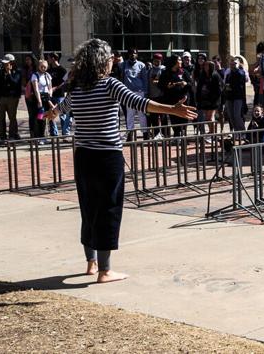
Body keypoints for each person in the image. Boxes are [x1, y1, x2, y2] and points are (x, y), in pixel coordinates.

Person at [45, 38, 195, 284]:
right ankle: (105, 271)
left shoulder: (78, 89)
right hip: (107, 157)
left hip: (83, 156)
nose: (112, 62)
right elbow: (142, 104)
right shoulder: (110, 85)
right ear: (102, 61)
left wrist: (51, 113)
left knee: (88, 208)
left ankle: (91, 264)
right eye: (109, 58)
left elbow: (60, 109)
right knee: (108, 209)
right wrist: (173, 110)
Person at [0, 55, 23, 141]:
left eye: (7, 63)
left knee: (12, 117)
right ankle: (1, 136)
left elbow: (15, 83)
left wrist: (9, 73)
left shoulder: (17, 72)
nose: (5, 65)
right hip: (1, 98)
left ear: (12, 62)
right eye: (4, 63)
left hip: (12, 98)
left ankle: (12, 135)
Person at [157, 56, 191, 132]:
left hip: (183, 99)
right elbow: (160, 85)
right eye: (179, 60)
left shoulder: (184, 72)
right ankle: (177, 134)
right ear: (174, 62)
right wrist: (167, 86)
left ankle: (183, 134)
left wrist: (185, 84)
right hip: (171, 100)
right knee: (174, 118)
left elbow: (190, 84)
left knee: (184, 118)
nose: (181, 61)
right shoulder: (166, 73)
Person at [119, 49, 149, 134]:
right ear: (128, 55)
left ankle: (145, 133)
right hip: (128, 93)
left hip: (140, 92)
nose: (133, 55)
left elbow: (145, 80)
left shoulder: (141, 65)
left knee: (141, 114)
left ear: (137, 55)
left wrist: (145, 93)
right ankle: (130, 134)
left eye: (134, 53)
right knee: (130, 115)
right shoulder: (123, 65)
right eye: (131, 53)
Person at [27, 59, 53, 141]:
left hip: (46, 99)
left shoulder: (48, 75)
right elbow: (36, 89)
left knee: (45, 118)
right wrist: (39, 101)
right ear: (39, 66)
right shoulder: (35, 75)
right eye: (42, 66)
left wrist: (50, 95)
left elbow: (50, 87)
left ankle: (43, 136)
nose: (43, 68)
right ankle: (37, 136)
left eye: (45, 67)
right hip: (38, 99)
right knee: (39, 118)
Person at [194, 60, 222, 135]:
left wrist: (214, 99)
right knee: (207, 118)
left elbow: (219, 89)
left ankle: (213, 134)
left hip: (213, 100)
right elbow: (199, 88)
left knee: (210, 117)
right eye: (205, 65)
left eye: (207, 65)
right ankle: (211, 131)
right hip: (204, 100)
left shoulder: (215, 75)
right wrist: (198, 98)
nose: (205, 66)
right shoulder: (202, 75)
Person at [46, 53, 70, 136]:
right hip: (51, 95)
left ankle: (65, 133)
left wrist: (55, 88)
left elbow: (65, 82)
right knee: (51, 113)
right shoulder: (49, 70)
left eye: (48, 58)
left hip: (60, 95)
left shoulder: (62, 70)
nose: (47, 60)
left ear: (53, 58)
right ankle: (54, 133)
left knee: (62, 114)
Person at [223, 56, 249, 132]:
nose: (232, 65)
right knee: (231, 116)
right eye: (231, 64)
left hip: (238, 97)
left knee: (237, 115)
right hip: (229, 97)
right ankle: (236, 131)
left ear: (238, 64)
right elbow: (226, 84)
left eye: (234, 64)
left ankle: (242, 131)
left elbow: (240, 81)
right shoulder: (228, 74)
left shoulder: (241, 73)